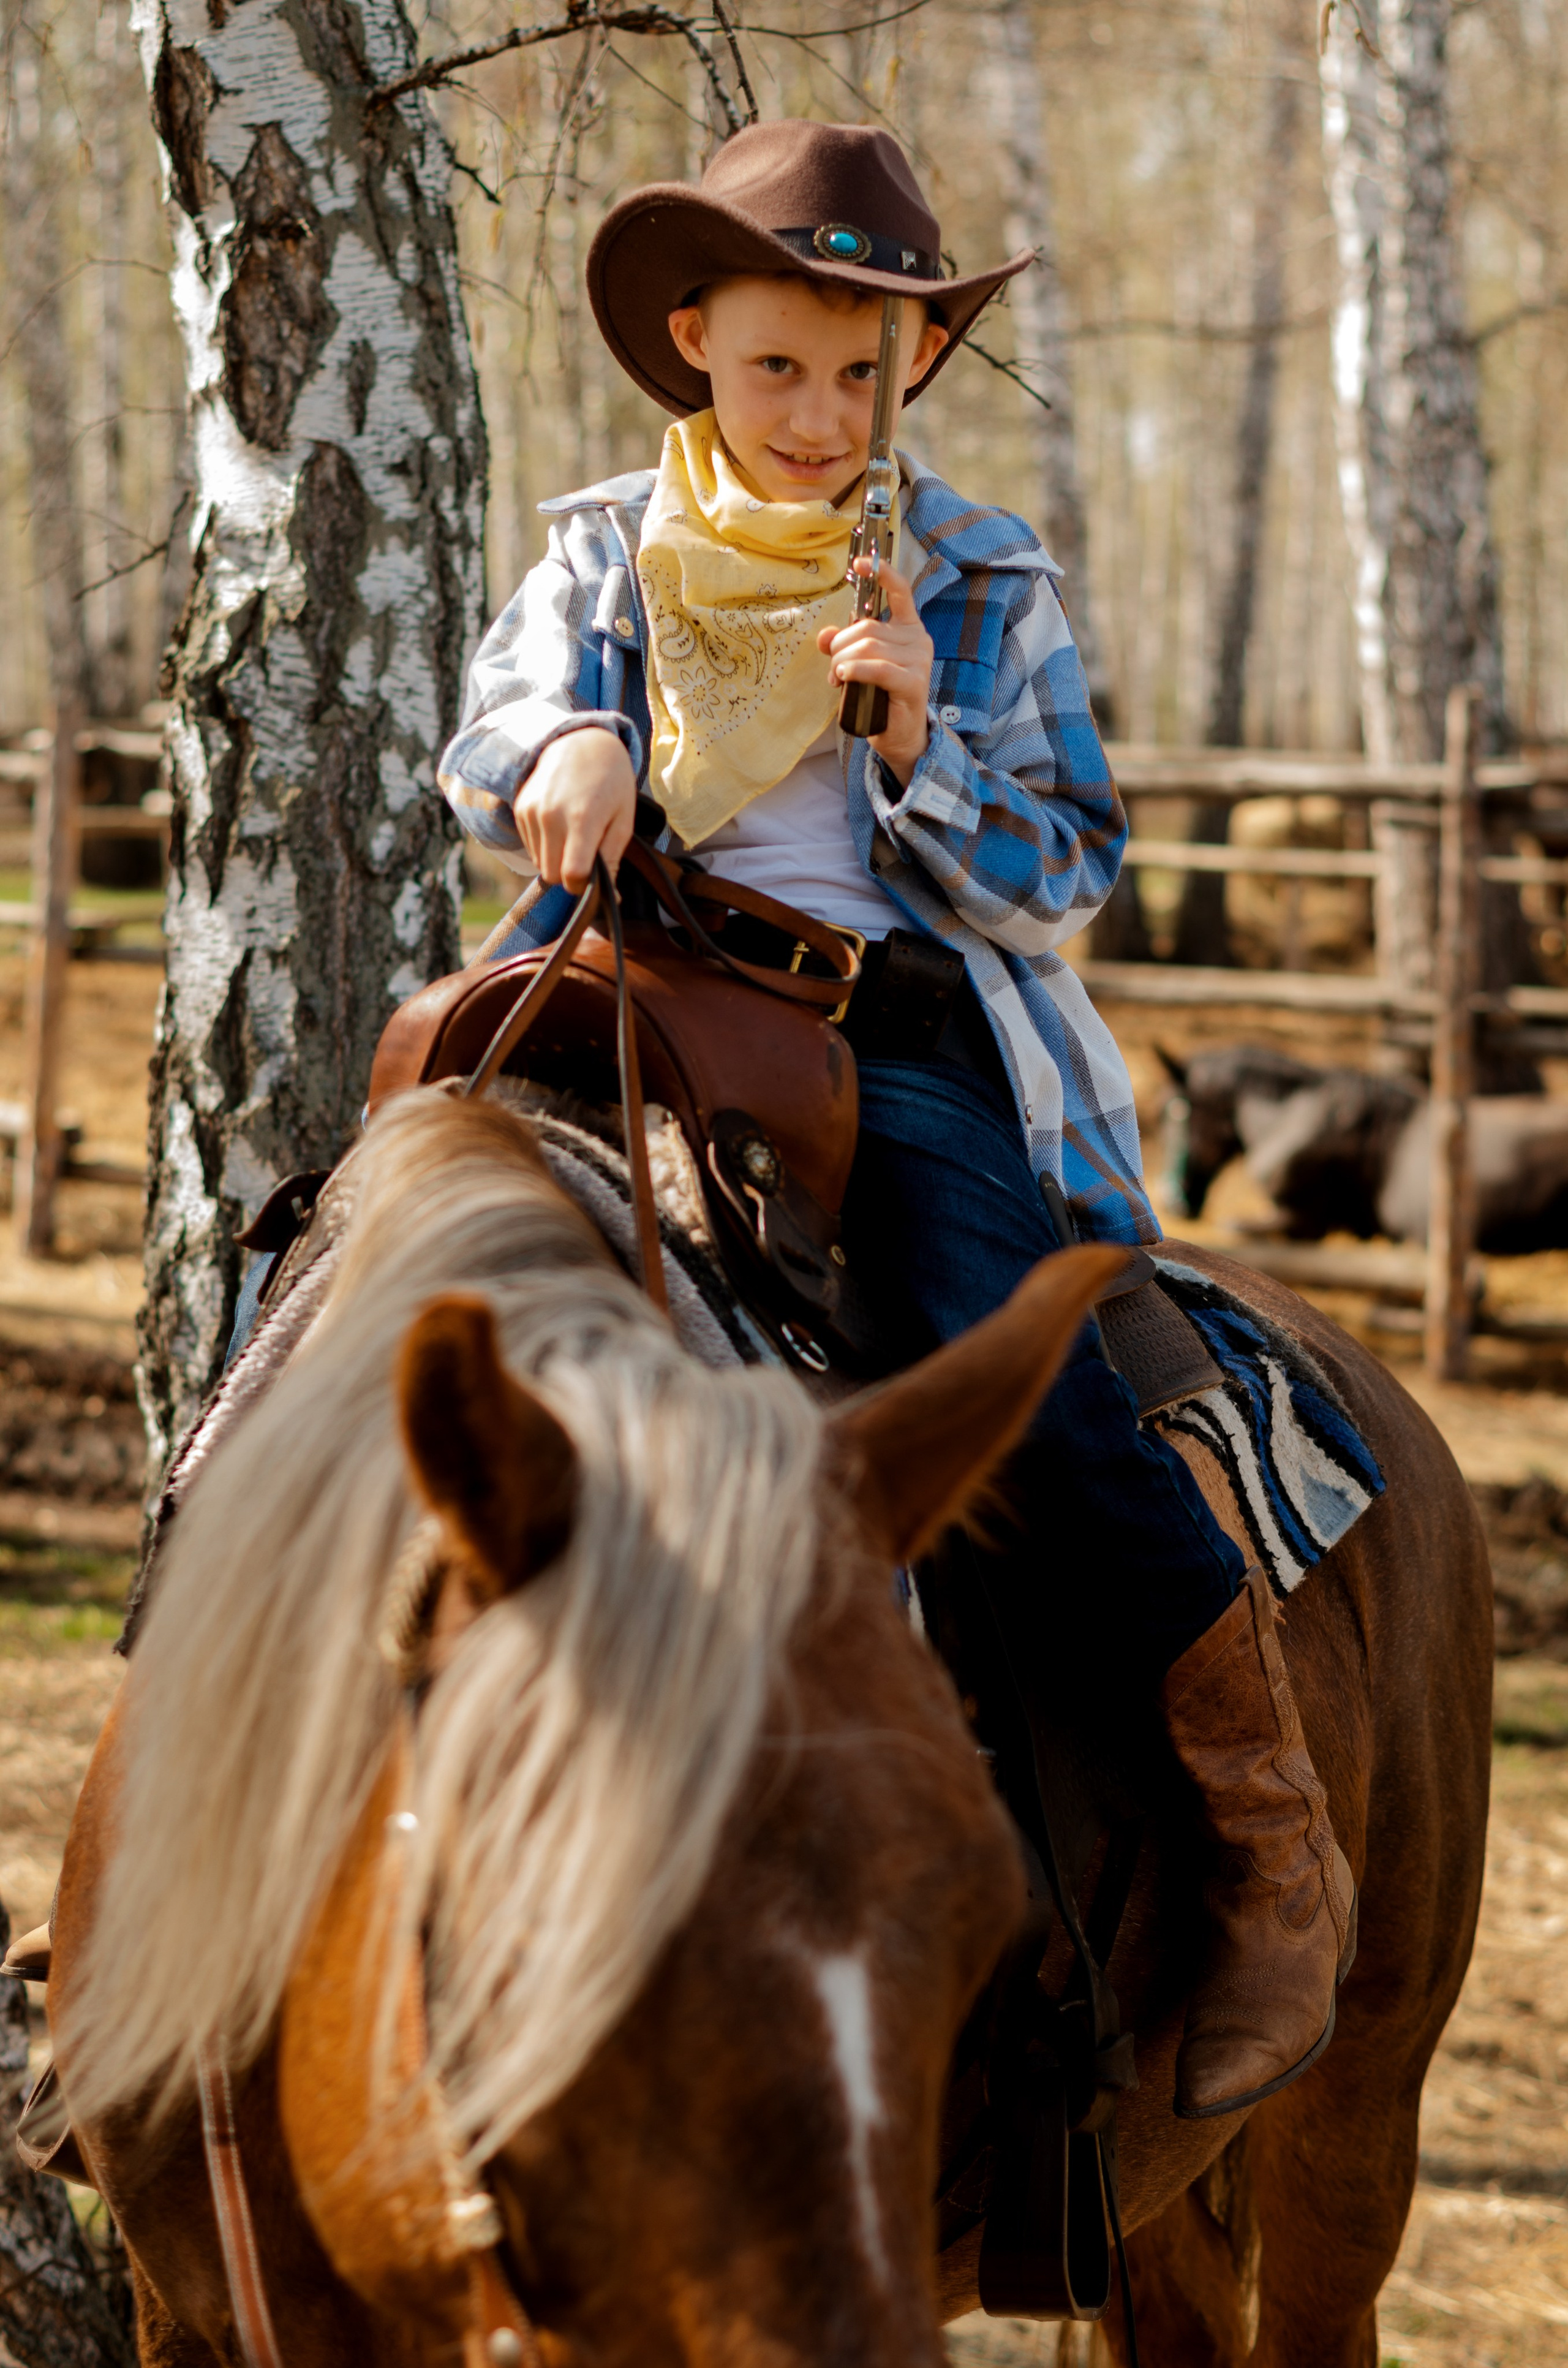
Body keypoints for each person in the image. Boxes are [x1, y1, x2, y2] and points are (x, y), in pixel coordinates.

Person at [436, 119, 1355, 2120]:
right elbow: (491, 725)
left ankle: (1266, 1828)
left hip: (884, 1035)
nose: (820, 412)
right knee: (348, 1252)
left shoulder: (982, 573)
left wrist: (927, 744)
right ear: (694, 340)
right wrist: (572, 738)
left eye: (864, 372)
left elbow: (1071, 866)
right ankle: (197, 1790)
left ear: (914, 365)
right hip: (616, 991)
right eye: (779, 365)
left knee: (1004, 1361)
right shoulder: (603, 546)